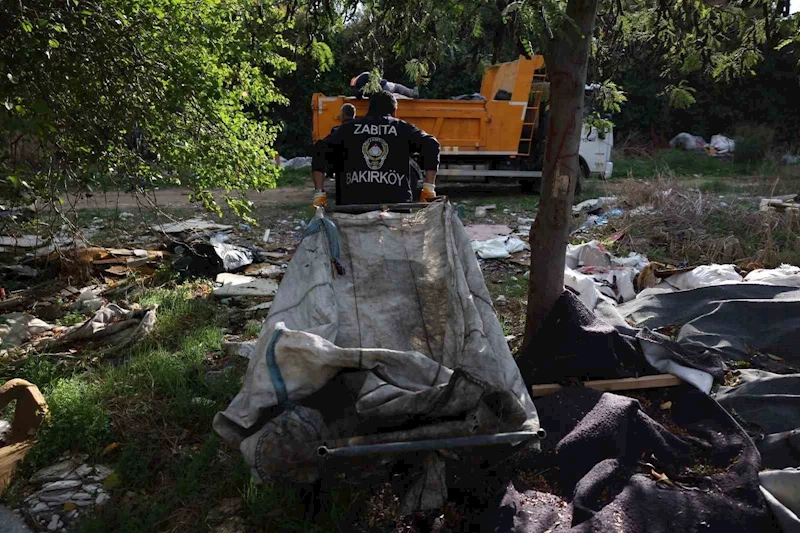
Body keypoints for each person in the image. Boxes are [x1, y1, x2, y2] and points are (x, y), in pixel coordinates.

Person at [311, 91, 439, 208]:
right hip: (395, 207)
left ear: (369, 109)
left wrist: (319, 193)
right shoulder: (402, 128)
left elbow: (320, 149)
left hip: (352, 207)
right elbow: (432, 144)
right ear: (394, 112)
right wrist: (429, 188)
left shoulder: (347, 129)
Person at [350, 72, 417, 99]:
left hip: (382, 89)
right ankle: (413, 93)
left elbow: (358, 95)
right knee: (398, 88)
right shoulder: (363, 76)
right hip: (385, 86)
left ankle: (413, 93)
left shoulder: (360, 80)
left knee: (397, 89)